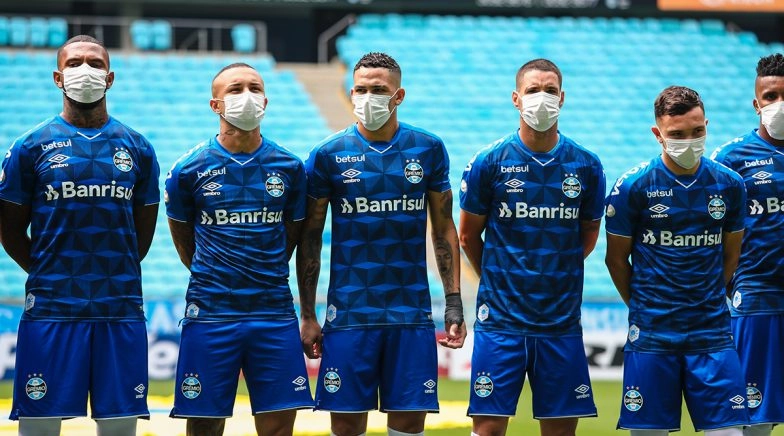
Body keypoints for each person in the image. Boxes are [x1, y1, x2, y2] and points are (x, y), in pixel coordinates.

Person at [296, 51, 466, 436]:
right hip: (350, 316)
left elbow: (443, 229)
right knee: (346, 427)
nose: (367, 97)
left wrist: (453, 303)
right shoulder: (327, 155)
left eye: (378, 89)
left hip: (411, 315)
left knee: (407, 425)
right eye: (360, 89)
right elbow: (309, 240)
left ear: (399, 95)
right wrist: (308, 314)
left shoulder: (428, 149)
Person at [0, 35, 159, 436]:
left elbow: (141, 236)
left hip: (119, 308)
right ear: (57, 77)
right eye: (74, 63)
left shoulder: (138, 147)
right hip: (52, 309)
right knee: (39, 427)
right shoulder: (29, 147)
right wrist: (49, 272)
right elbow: (10, 229)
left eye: (93, 62)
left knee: (119, 429)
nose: (83, 70)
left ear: (109, 77)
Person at [165, 63, 313, 436]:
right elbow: (186, 244)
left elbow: (290, 239)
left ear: (265, 100)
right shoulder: (187, 170)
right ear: (216, 104)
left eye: (254, 87)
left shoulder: (291, 168)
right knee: (204, 426)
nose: (246, 95)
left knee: (279, 426)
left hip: (274, 312)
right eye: (235, 89)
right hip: (211, 312)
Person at [458, 58, 604, 436]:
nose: (542, 99)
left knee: (560, 431)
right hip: (501, 322)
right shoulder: (489, 162)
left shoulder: (586, 165)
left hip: (559, 322)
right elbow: (468, 236)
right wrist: (497, 272)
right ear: (516, 98)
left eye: (550, 91)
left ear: (563, 98)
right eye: (533, 90)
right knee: (488, 429)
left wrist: (556, 269)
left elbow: (587, 235)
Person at [605, 86, 749, 436]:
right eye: (677, 135)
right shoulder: (633, 187)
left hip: (712, 333)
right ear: (658, 134)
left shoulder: (730, 185)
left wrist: (708, 294)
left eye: (697, 132)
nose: (689, 141)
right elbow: (616, 260)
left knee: (729, 433)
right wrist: (644, 305)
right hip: (653, 335)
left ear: (707, 125)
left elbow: (731, 254)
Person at [710, 53, 784, 436]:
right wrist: (730, 284)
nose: (779, 104)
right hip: (758, 299)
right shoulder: (730, 160)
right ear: (757, 104)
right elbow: (709, 234)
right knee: (756, 420)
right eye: (770, 96)